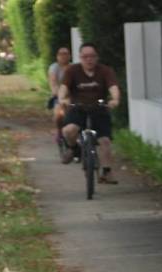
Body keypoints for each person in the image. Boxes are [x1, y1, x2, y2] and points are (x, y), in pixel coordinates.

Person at [58, 42, 121, 184]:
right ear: (80, 57)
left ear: (97, 57)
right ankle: (74, 149)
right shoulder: (72, 71)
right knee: (69, 130)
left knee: (104, 141)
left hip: (99, 109)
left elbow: (113, 86)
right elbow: (64, 87)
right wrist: (62, 98)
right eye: (85, 56)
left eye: (92, 56)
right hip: (77, 108)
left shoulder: (105, 71)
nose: (89, 59)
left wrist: (114, 99)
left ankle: (106, 172)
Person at [47, 46, 71, 144]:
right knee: (58, 114)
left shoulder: (73, 67)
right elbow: (53, 83)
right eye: (61, 54)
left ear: (69, 56)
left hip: (72, 96)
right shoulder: (54, 68)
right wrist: (58, 94)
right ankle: (59, 131)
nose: (63, 56)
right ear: (57, 56)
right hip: (59, 96)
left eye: (66, 54)